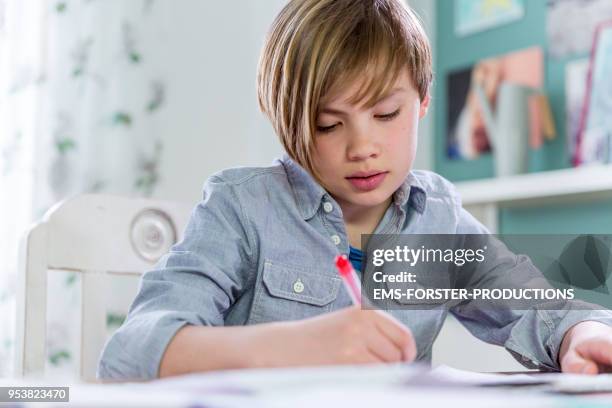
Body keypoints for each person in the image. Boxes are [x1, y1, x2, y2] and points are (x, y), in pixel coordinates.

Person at [98, 0, 612, 381]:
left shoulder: (434, 218)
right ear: (285, 121)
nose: (362, 147)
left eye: (386, 115)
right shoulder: (243, 207)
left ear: (424, 102)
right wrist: (298, 346)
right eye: (327, 125)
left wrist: (580, 336)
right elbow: (132, 353)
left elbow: (536, 304)